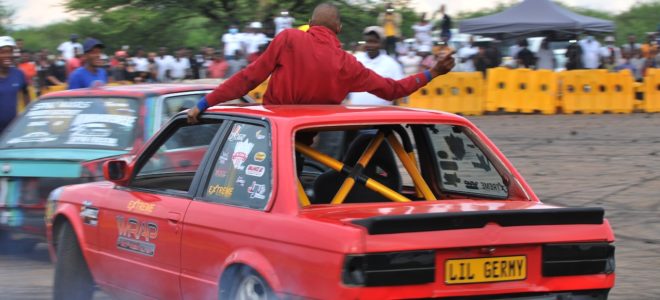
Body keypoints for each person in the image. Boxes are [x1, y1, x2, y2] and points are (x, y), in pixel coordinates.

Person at [187, 3, 455, 123]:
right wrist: (433, 72)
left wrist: (204, 103)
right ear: (337, 27)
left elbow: (247, 79)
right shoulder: (348, 63)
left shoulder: (289, 38)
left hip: (271, 138)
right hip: (309, 141)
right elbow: (393, 90)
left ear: (311, 24)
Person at [348, 26, 404, 106]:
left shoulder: (391, 64)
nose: (370, 45)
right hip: (354, 112)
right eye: (368, 41)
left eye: (374, 42)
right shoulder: (356, 59)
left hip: (381, 115)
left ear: (382, 43)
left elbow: (398, 90)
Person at [0, 36, 30, 133]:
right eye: (3, 52)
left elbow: (26, 93)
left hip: (11, 131)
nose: (7, 55)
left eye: (10, 52)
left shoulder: (19, 74)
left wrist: (26, 116)